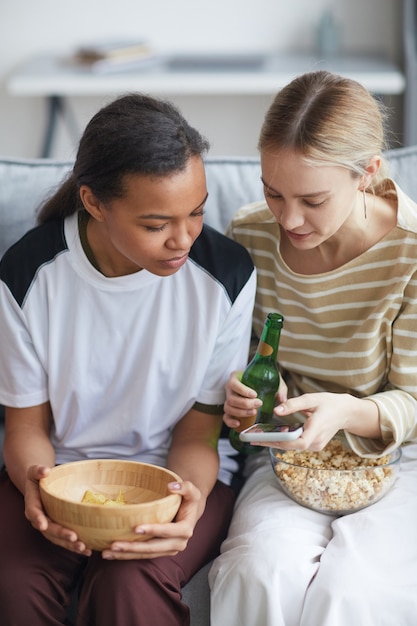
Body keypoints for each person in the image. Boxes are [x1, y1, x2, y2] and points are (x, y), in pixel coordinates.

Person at [0, 93, 256, 626]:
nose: (184, 238)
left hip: (173, 474)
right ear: (94, 202)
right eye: (156, 223)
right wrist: (38, 486)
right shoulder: (29, 275)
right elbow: (25, 427)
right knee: (15, 585)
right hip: (60, 477)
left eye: (197, 212)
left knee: (130, 581)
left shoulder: (225, 276)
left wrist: (186, 503)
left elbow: (196, 437)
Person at [209, 70, 417, 625]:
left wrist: (347, 411)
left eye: (313, 199)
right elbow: (253, 357)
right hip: (287, 455)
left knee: (355, 592)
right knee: (257, 570)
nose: (289, 219)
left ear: (367, 173)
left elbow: (414, 401)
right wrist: (256, 392)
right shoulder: (249, 234)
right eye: (273, 192)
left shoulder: (410, 254)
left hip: (397, 458)